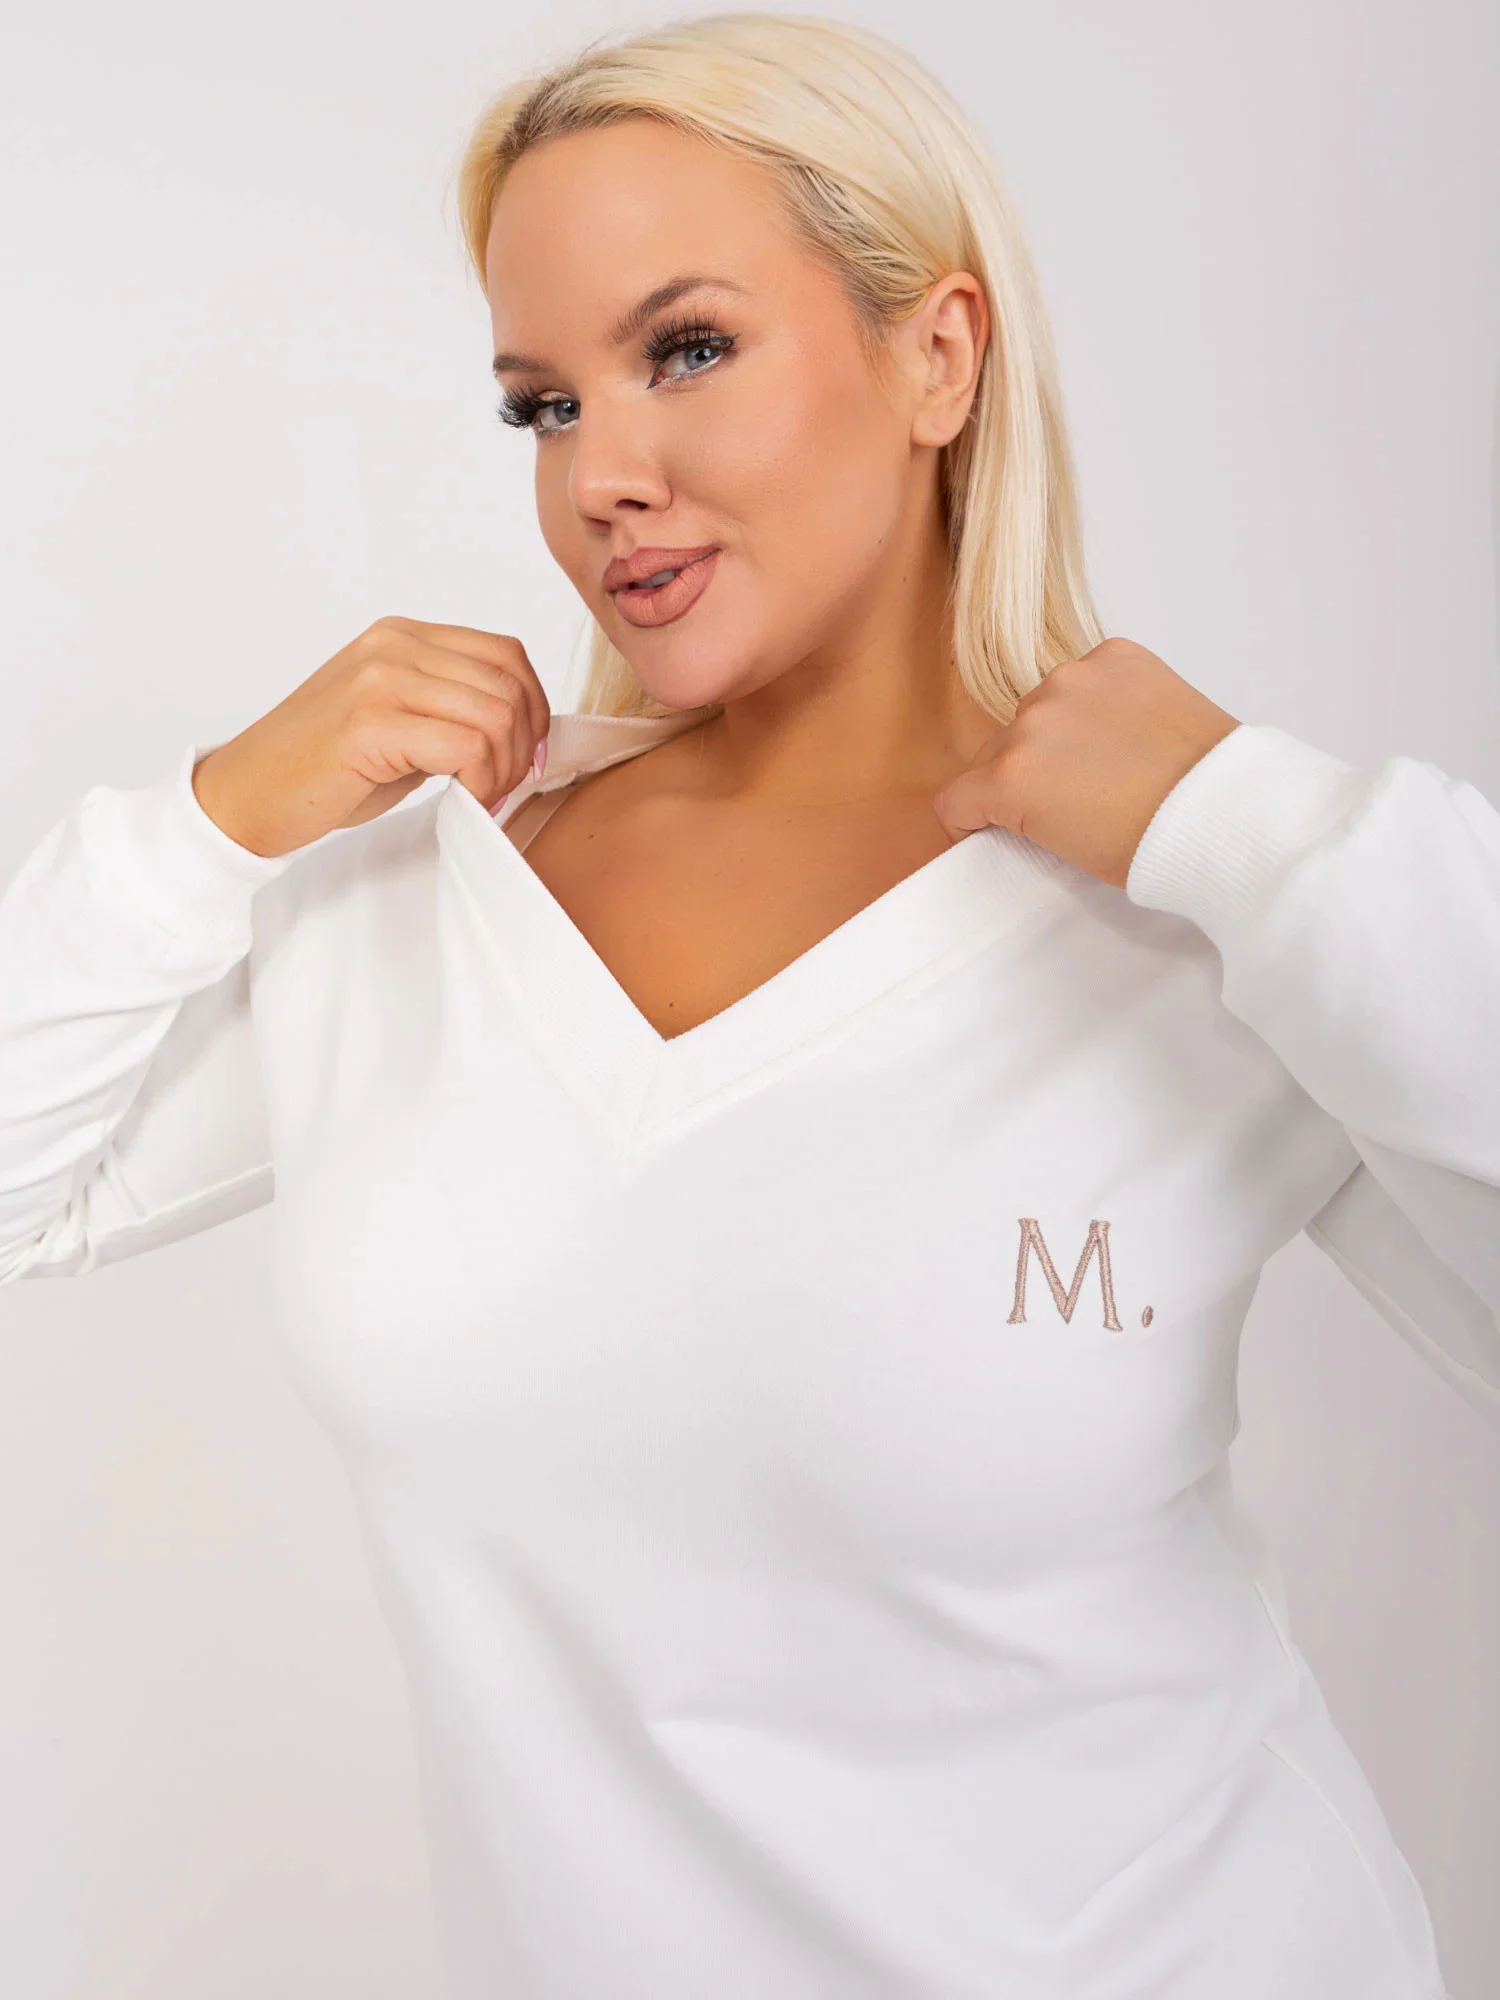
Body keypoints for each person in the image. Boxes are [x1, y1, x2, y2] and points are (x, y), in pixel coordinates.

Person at [1, 13, 1495, 1998]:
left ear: (936, 355)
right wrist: (209, 820)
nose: (602, 476)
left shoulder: (1205, 916)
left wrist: (1265, 835)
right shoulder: (422, 894)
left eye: (686, 349)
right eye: (544, 405)